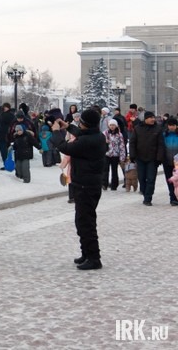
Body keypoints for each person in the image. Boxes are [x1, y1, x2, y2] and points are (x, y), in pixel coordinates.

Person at [51, 110, 106, 270]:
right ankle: (87, 253)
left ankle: (94, 258)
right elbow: (83, 133)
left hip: (85, 186)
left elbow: (65, 147)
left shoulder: (86, 141)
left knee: (85, 223)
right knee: (83, 221)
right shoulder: (97, 136)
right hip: (89, 184)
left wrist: (56, 132)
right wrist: (68, 127)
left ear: (85, 123)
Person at [129, 111, 165, 206]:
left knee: (151, 179)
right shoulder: (137, 129)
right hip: (140, 158)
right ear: (145, 119)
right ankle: (145, 193)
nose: (153, 119)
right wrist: (132, 155)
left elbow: (161, 145)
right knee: (141, 178)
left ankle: (148, 198)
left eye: (154, 117)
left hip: (152, 159)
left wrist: (159, 158)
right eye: (151, 117)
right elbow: (132, 143)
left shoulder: (158, 129)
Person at [103, 119, 126, 191]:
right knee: (105, 170)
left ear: (116, 126)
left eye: (113, 125)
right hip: (106, 154)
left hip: (115, 154)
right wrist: (105, 142)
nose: (112, 126)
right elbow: (100, 143)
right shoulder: (105, 133)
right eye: (111, 125)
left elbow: (122, 146)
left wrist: (122, 157)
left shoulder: (119, 134)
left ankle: (114, 185)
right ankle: (104, 184)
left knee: (114, 170)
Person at [0, 103, 15, 170]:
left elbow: (3, 118)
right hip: (0, 136)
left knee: (5, 151)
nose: (4, 108)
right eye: (4, 107)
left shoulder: (10, 114)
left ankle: (8, 165)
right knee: (3, 152)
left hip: (5, 136)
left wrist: (1, 112)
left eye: (6, 107)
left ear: (9, 108)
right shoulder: (3, 114)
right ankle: (6, 164)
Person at [163, 118, 178, 206]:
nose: (171, 127)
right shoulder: (164, 135)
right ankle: (172, 197)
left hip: (177, 163)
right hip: (167, 161)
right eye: (170, 125)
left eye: (173, 125)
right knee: (170, 180)